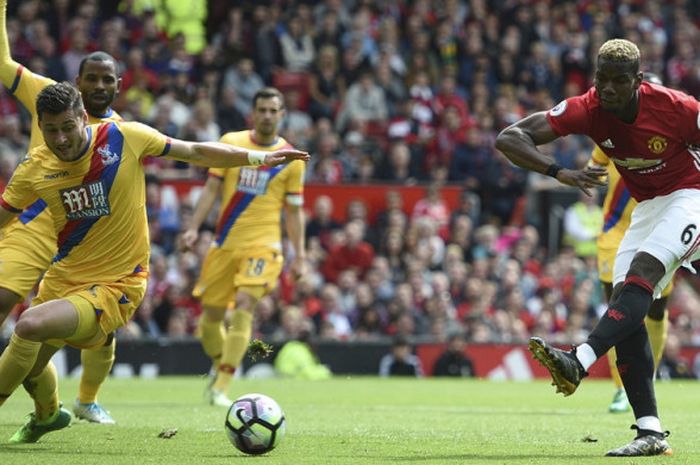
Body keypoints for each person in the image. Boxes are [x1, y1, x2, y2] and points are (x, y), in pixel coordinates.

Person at [0, 81, 308, 443]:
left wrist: (256, 158)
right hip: (63, 277)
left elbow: (193, 151)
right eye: (50, 130)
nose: (62, 139)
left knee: (29, 324)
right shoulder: (35, 166)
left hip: (118, 284)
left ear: (83, 117)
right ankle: (47, 415)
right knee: (31, 367)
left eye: (68, 127)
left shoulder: (124, 137)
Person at [494, 38, 700, 457]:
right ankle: (650, 432)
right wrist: (558, 171)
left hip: (691, 194)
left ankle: (579, 360)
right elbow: (509, 138)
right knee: (625, 305)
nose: (607, 89)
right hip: (649, 209)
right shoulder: (586, 109)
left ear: (638, 81)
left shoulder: (677, 107)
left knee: (643, 271)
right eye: (601, 79)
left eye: (618, 82)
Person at [0, 0, 125, 424]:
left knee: (99, 331)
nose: (98, 85)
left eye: (106, 79)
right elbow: (3, 62)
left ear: (117, 85)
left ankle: (86, 400)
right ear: (79, 81)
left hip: (86, 241)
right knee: (11, 311)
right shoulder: (47, 93)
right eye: (91, 78)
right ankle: (48, 410)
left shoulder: (120, 132)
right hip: (34, 224)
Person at [180, 87, 307, 407]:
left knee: (245, 304)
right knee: (209, 320)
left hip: (264, 245)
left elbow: (293, 211)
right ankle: (222, 360)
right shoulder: (231, 142)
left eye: (273, 110)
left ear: (282, 115)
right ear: (253, 113)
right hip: (224, 244)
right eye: (261, 110)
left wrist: (300, 255)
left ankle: (222, 385)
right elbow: (212, 187)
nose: (267, 115)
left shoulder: (292, 159)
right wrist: (194, 228)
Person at [591, 72, 672, 414]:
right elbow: (594, 171)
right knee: (620, 310)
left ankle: (645, 377)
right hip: (615, 235)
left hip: (659, 233)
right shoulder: (613, 133)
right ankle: (623, 388)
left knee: (655, 311)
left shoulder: (672, 137)